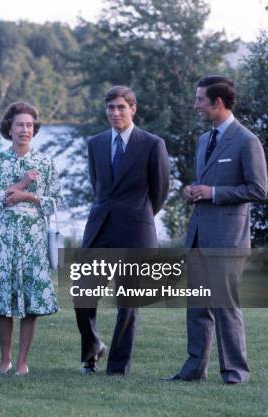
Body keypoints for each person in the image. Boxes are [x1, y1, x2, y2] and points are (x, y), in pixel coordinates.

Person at [164, 76, 267, 384]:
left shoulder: (247, 140)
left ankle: (236, 373)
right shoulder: (203, 140)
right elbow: (208, 182)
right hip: (198, 235)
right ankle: (194, 370)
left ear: (217, 103)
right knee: (197, 307)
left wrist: (214, 193)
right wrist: (195, 191)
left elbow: (258, 190)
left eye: (199, 100)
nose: (195, 105)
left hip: (227, 240)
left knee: (225, 307)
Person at [77, 86, 170, 375]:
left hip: (136, 231)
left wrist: (138, 214)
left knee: (128, 304)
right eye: (110, 108)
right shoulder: (95, 143)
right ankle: (92, 350)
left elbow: (161, 191)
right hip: (99, 228)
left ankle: (118, 367)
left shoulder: (153, 144)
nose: (115, 113)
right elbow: (98, 186)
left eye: (120, 107)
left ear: (133, 109)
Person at [0, 101, 59, 376]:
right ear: (9, 128)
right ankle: (5, 360)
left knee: (30, 300)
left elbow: (56, 201)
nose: (25, 130)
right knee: (3, 299)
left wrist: (28, 196)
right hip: (4, 234)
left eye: (29, 125)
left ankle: (22, 362)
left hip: (33, 234)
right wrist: (21, 184)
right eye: (20, 125)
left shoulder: (45, 162)